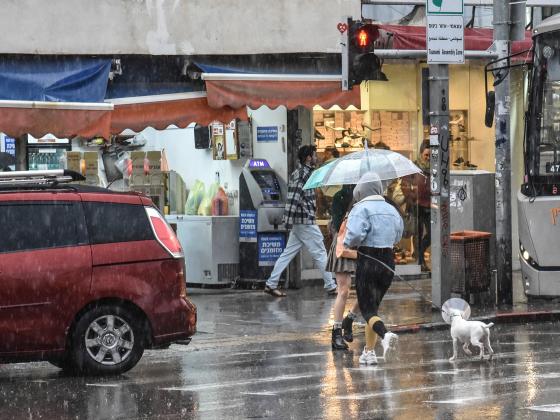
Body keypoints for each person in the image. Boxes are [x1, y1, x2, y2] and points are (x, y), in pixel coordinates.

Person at [344, 172, 404, 365]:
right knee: (373, 308)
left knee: (367, 308)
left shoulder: (360, 208)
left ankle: (385, 335)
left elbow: (353, 236)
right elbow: (398, 235)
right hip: (388, 260)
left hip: (368, 258)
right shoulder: (391, 209)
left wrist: (349, 243)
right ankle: (369, 352)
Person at [264, 145, 337, 297]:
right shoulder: (303, 174)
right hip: (305, 221)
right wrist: (287, 220)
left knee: (288, 253)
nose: (316, 158)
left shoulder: (304, 173)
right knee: (320, 253)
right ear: (308, 158)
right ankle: (331, 285)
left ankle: (271, 284)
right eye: (314, 155)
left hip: (301, 221)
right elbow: (293, 198)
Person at [326, 184, 361, 350]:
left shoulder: (365, 197)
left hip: (362, 246)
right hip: (344, 245)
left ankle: (350, 319)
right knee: (344, 290)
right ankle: (336, 332)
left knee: (367, 290)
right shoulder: (341, 196)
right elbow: (338, 224)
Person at [412, 141, 431, 271]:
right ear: (421, 153)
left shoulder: (434, 168)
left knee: (431, 234)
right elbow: (406, 184)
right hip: (417, 205)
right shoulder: (414, 167)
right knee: (417, 233)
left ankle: (419, 254)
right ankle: (421, 260)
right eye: (426, 155)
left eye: (430, 155)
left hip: (429, 205)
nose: (428, 158)